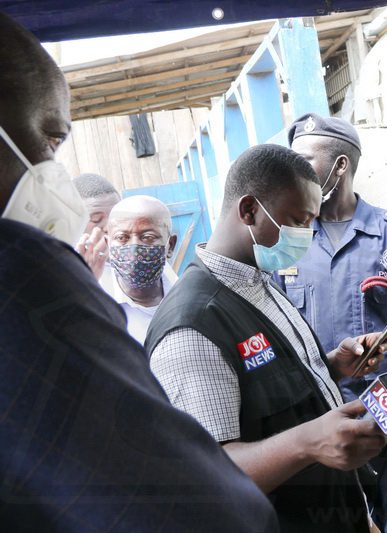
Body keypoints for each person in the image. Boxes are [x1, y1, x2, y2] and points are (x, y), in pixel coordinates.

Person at [0, 12, 277, 531]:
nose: (130, 247)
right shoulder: (28, 275)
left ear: (171, 242)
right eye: (52, 140)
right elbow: (201, 512)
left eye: (148, 237)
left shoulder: (213, 295)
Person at [146, 143, 387, 533]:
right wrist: (309, 443)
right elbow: (210, 474)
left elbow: (268, 391)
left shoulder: (257, 279)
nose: (307, 235)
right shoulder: (192, 327)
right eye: (297, 220)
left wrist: (330, 366)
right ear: (249, 210)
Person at [278, 113, 387, 533]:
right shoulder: (289, 239)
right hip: (319, 409)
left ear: (340, 166)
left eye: (305, 160)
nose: (295, 171)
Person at [105, 195, 178, 344]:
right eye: (121, 237)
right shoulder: (95, 306)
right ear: (108, 244)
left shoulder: (190, 298)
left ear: (170, 245)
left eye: (148, 237)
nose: (134, 249)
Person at [73, 173, 120, 281]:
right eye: (96, 219)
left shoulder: (141, 257)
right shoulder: (65, 268)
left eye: (116, 216)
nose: (109, 227)